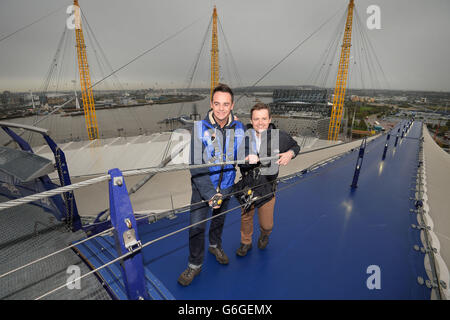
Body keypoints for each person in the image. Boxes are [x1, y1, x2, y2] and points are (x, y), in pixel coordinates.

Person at [178, 84, 245, 286]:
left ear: (232, 105)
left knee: (219, 222)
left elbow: (242, 154)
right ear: (211, 104)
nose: (221, 109)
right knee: (196, 228)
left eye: (226, 104)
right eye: (217, 104)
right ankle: (194, 265)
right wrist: (209, 194)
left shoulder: (239, 127)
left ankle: (215, 245)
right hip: (202, 190)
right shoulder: (200, 128)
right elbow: (196, 166)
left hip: (226, 187)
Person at [235, 103, 300, 257]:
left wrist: (290, 153)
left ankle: (265, 234)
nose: (260, 122)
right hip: (248, 185)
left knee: (267, 223)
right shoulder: (243, 136)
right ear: (251, 120)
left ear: (270, 119)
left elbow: (295, 146)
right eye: (256, 119)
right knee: (246, 217)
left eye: (264, 118)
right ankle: (246, 242)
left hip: (267, 186)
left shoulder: (280, 136)